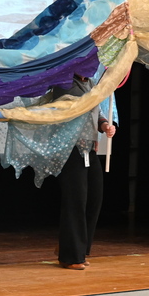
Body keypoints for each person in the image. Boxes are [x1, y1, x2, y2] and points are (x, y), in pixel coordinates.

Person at [55, 75, 117, 270]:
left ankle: (76, 247)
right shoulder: (64, 83)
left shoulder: (89, 83)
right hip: (71, 149)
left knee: (94, 198)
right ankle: (70, 255)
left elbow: (95, 112)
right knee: (76, 201)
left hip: (88, 148)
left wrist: (104, 124)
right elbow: (65, 112)